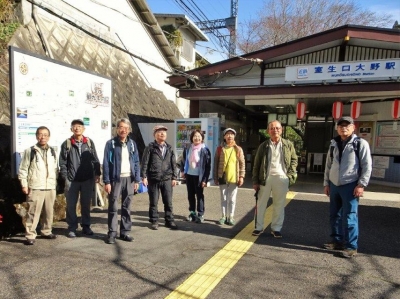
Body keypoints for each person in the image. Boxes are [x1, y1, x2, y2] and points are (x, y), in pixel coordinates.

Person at [323, 116, 372, 258]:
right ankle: (336, 241)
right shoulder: (334, 144)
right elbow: (328, 165)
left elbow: (366, 166)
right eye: (341, 125)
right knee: (335, 215)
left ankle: (351, 247)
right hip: (334, 184)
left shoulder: (360, 143)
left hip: (350, 184)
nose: (343, 128)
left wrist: (361, 184)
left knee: (350, 216)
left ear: (353, 127)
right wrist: (326, 183)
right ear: (337, 128)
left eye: (347, 125)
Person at [252, 120, 298, 238]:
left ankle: (276, 228)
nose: (275, 130)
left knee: (279, 204)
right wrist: (255, 181)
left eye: (277, 128)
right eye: (272, 128)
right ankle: (258, 227)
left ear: (281, 130)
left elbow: (294, 160)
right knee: (261, 203)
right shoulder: (263, 146)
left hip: (282, 178)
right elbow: (256, 164)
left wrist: (289, 175)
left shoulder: (288, 144)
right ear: (268, 131)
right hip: (265, 178)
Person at [59, 119, 101, 238]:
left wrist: (97, 173)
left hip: (87, 179)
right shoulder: (67, 144)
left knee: (86, 204)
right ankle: (72, 228)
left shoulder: (89, 143)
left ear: (83, 129)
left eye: (79, 126)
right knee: (71, 205)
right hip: (72, 180)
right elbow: (62, 163)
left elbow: (95, 159)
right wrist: (65, 177)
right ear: (71, 129)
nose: (77, 128)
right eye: (74, 126)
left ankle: (86, 226)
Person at [18, 126, 58, 245]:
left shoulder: (52, 151)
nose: (43, 137)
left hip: (50, 186)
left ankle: (46, 231)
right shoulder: (30, 151)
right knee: (33, 212)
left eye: (45, 135)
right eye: (40, 134)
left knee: (49, 211)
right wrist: (24, 185)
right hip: (35, 186)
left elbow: (55, 169)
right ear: (36, 136)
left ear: (49, 137)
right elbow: (23, 169)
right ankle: (30, 234)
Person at [103, 118, 140, 244]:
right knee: (113, 207)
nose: (123, 129)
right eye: (120, 127)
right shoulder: (111, 144)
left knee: (127, 207)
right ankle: (112, 233)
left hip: (129, 178)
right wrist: (107, 181)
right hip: (115, 180)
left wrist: (137, 180)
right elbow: (106, 163)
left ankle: (125, 232)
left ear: (129, 130)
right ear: (117, 129)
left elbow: (136, 162)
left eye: (125, 127)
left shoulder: (132, 144)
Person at [141, 125, 178, 230]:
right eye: (159, 132)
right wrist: (143, 176)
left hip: (167, 178)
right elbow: (144, 163)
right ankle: (154, 221)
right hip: (153, 178)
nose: (162, 134)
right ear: (154, 135)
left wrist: (174, 177)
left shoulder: (169, 148)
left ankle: (169, 220)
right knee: (153, 201)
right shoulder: (150, 148)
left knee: (168, 201)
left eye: (164, 132)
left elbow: (173, 163)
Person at [214, 128, 245, 226]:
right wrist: (215, 177)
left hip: (234, 177)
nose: (229, 136)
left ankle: (231, 217)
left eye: (231, 134)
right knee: (223, 198)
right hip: (222, 176)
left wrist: (241, 176)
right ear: (224, 137)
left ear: (234, 136)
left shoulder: (238, 149)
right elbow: (216, 163)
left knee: (232, 199)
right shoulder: (219, 149)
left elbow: (242, 164)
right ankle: (223, 216)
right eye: (227, 134)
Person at [180, 130, 212, 223]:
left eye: (199, 136)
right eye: (195, 136)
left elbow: (207, 166)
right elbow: (182, 160)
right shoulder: (188, 148)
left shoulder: (205, 150)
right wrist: (182, 170)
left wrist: (205, 179)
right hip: (189, 174)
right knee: (190, 195)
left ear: (202, 138)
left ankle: (200, 214)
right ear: (192, 138)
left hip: (199, 176)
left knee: (199, 195)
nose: (196, 138)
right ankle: (192, 212)